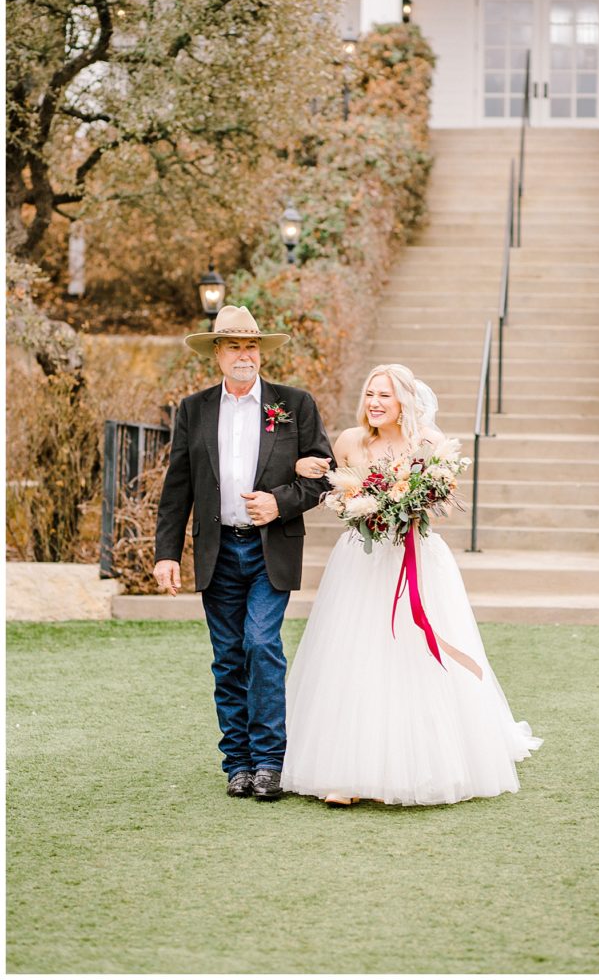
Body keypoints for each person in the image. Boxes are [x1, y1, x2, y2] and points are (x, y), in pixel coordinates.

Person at [281, 363, 542, 806]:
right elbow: (330, 487)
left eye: (384, 395)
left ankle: (418, 765)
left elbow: (442, 494)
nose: (375, 403)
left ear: (404, 400)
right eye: (369, 394)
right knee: (355, 656)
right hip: (360, 562)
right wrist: (312, 473)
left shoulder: (427, 442)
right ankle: (344, 770)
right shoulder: (349, 441)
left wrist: (411, 502)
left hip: (414, 558)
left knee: (411, 656)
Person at [154, 305, 333, 801]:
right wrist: (166, 553)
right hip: (216, 551)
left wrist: (281, 503)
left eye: (251, 345)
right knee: (228, 657)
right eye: (233, 346)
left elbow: (324, 476)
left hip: (269, 550)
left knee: (261, 644)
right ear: (216, 353)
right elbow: (178, 489)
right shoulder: (193, 409)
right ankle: (238, 762)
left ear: (261, 352)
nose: (244, 355)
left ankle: (270, 761)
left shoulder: (294, 404)